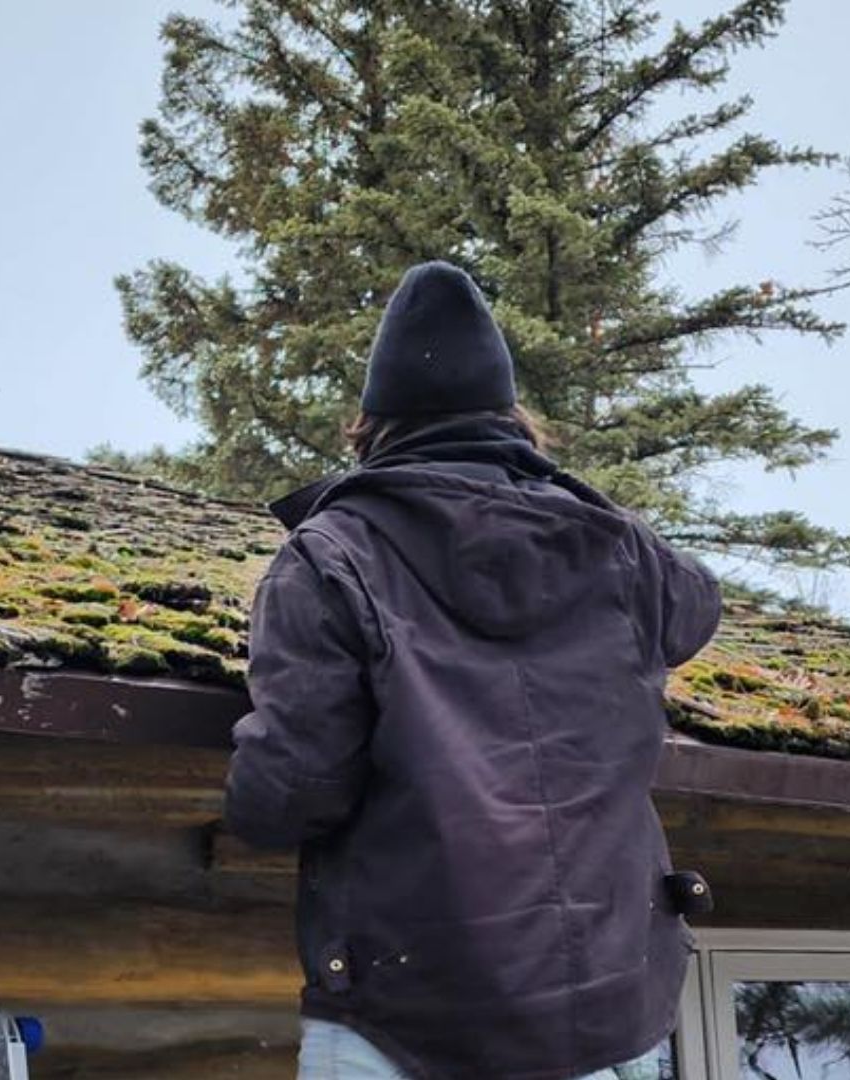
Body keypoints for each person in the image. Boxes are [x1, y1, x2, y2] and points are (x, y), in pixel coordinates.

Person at [225, 261, 722, 1080]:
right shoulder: (622, 554)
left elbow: (286, 798)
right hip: (606, 1009)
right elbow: (698, 603)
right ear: (511, 419)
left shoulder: (330, 558)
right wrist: (563, 492)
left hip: (408, 1015)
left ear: (371, 425)